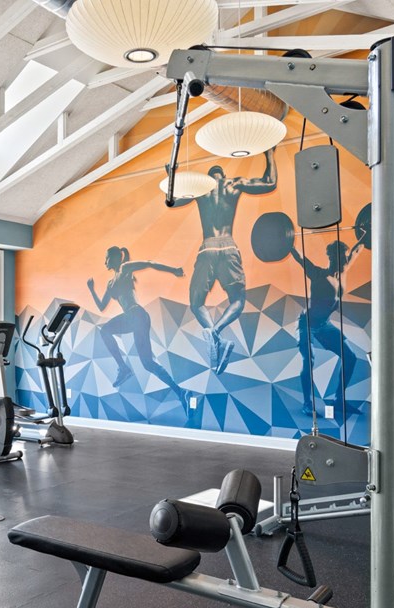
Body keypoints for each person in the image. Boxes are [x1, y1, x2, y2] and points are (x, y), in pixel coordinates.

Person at [170, 149, 278, 373]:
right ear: (222, 174)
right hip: (229, 246)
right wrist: (270, 154)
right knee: (237, 300)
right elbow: (270, 182)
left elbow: (171, 202)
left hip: (207, 247)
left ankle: (212, 334)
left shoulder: (201, 189)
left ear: (210, 176)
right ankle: (216, 332)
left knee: (197, 303)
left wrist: (172, 175)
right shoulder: (234, 184)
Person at [87, 247, 192, 412]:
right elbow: (101, 306)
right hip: (136, 319)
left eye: (106, 258)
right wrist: (91, 289)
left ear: (114, 257)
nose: (105, 262)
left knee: (105, 331)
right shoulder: (111, 283)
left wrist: (173, 270)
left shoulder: (125, 268)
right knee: (148, 364)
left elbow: (149, 263)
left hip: (136, 314)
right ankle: (181, 392)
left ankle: (123, 368)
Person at [289, 231, 368, 416]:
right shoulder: (318, 274)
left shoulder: (344, 270)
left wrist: (366, 234)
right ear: (332, 258)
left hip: (324, 325)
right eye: (340, 257)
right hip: (306, 324)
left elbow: (357, 249)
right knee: (309, 360)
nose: (344, 260)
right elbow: (301, 259)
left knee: (350, 357)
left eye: (344, 257)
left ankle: (339, 401)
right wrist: (289, 243)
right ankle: (308, 403)